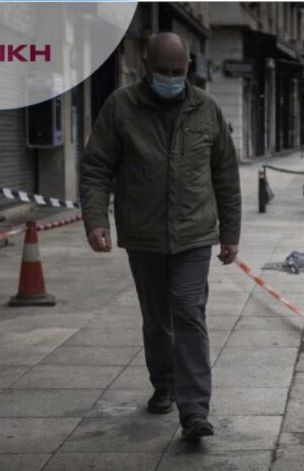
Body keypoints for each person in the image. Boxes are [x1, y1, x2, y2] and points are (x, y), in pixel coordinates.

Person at [79, 32, 241, 439]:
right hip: (144, 234)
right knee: (156, 319)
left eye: (179, 71)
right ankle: (164, 384)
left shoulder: (206, 108)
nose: (172, 78)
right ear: (146, 66)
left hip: (194, 234)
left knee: (188, 312)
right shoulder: (121, 107)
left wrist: (230, 232)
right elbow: (97, 167)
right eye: (164, 71)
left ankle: (195, 410)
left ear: (188, 68)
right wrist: (96, 220)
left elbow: (225, 173)